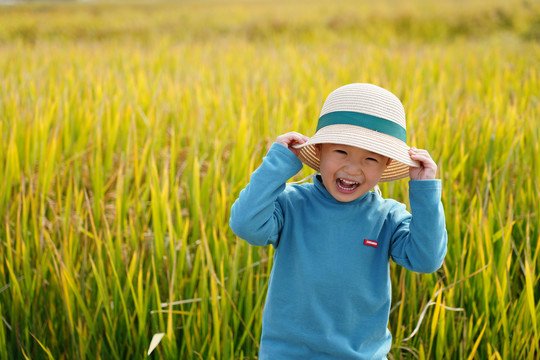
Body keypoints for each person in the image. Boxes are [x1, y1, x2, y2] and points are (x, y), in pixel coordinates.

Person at [229, 83, 447, 359]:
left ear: (384, 167)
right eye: (341, 152)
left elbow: (426, 259)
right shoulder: (292, 203)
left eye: (370, 159)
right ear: (318, 152)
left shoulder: (388, 217)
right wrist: (279, 163)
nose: (353, 168)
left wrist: (425, 193)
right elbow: (246, 225)